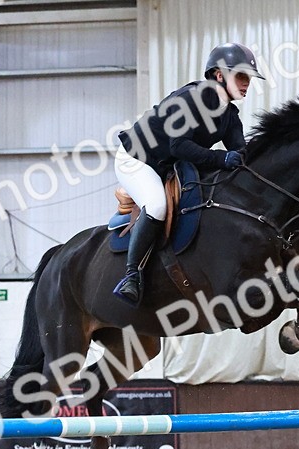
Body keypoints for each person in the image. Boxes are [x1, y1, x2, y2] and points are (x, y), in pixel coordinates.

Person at [112, 42, 264, 306]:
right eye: (241, 75)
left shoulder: (228, 114)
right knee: (157, 205)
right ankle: (131, 275)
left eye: (249, 78)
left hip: (167, 164)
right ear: (219, 75)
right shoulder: (190, 99)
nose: (246, 83)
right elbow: (179, 146)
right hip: (137, 159)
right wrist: (221, 158)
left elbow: (240, 153)